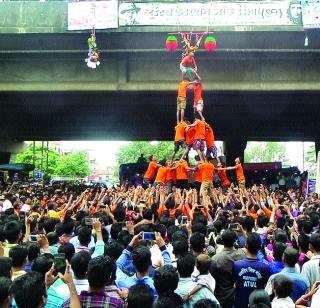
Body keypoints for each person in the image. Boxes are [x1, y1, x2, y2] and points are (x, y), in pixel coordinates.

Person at [233, 232, 270, 308]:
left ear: (246, 245)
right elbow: (265, 287)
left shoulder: (236, 265)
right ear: (260, 247)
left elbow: (234, 285)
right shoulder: (265, 267)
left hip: (239, 304)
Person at [212, 229, 246, 308]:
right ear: (235, 241)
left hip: (222, 296)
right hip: (239, 294)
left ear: (222, 241)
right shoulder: (243, 253)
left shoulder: (216, 259)